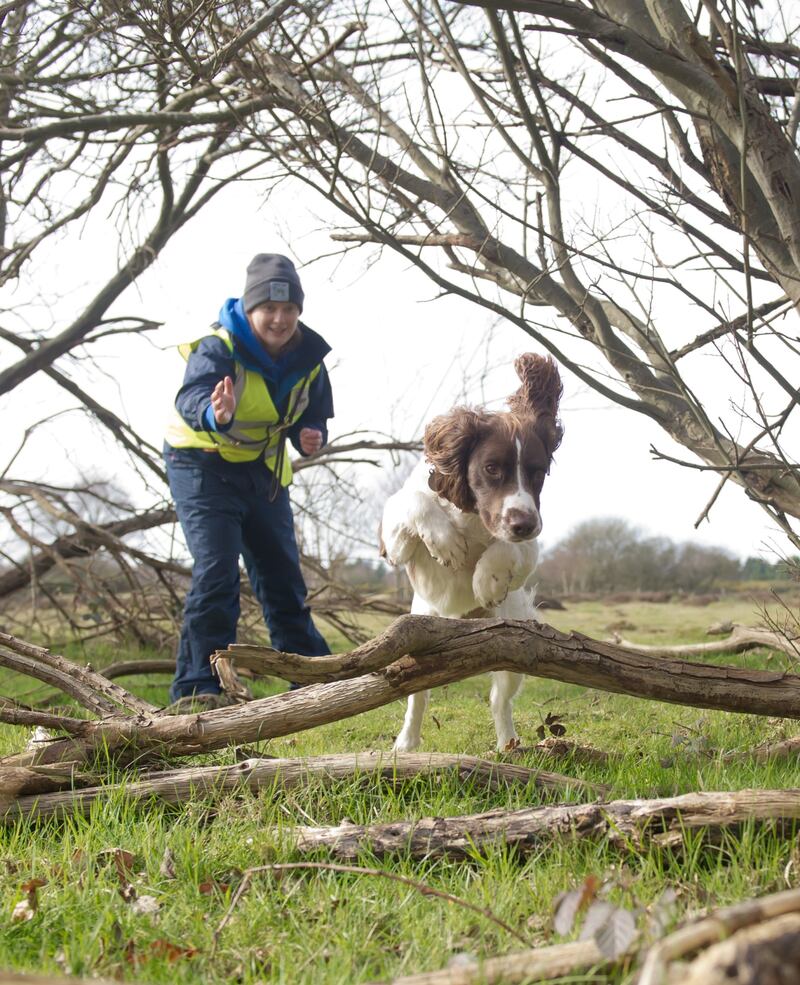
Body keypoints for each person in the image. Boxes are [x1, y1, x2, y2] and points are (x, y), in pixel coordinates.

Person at [163, 253, 333, 707]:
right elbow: (191, 397)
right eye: (269, 309)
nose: (279, 319)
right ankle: (200, 687)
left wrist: (311, 435)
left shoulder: (310, 357)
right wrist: (214, 412)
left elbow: (311, 414)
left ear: (298, 310)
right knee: (217, 572)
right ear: (250, 307)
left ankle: (312, 676)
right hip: (202, 465)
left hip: (262, 473)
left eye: (289, 309)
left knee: (282, 576)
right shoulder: (219, 347)